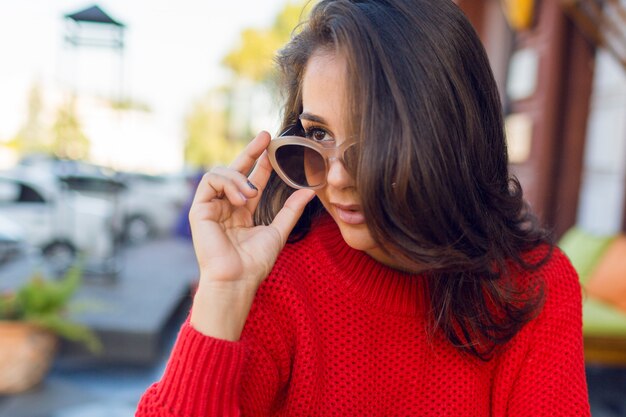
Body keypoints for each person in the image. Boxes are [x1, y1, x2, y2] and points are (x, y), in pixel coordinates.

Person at [136, 0, 591, 415]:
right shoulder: (276, 274)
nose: (335, 177)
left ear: (449, 136)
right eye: (318, 134)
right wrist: (224, 292)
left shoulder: (532, 287)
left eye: (372, 139)